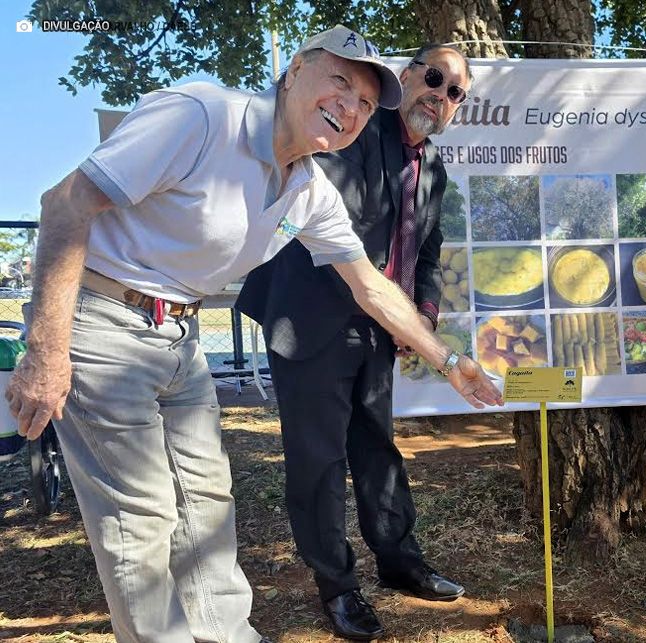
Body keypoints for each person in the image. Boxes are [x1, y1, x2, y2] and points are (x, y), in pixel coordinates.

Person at [5, 26, 501, 643]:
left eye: (365, 103)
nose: (350, 108)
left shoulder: (309, 187)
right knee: (142, 520)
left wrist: (453, 360)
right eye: (339, 82)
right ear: (294, 71)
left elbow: (372, 286)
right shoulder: (202, 117)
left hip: (179, 334)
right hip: (103, 321)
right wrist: (47, 349)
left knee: (208, 508)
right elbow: (65, 205)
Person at [236, 44, 472, 641]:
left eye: (455, 93)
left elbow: (429, 250)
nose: (440, 97)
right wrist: (390, 312)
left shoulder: (434, 170)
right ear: (407, 76)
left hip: (378, 323)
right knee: (319, 462)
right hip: (313, 316)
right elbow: (338, 233)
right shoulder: (357, 132)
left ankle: (398, 561)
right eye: (434, 78)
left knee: (378, 447)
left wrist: (419, 314)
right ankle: (338, 587)